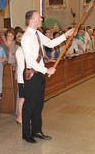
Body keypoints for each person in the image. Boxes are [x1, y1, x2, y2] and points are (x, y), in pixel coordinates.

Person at [21, 10, 74, 143]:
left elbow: (50, 43)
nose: (41, 19)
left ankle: (37, 130)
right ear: (32, 20)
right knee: (29, 105)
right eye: (39, 17)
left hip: (39, 74)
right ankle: (26, 133)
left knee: (38, 104)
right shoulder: (26, 37)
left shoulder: (38, 33)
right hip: (31, 73)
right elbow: (31, 60)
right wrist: (46, 70)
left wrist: (65, 35)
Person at [15, 30, 25, 125]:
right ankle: (19, 117)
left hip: (25, 77)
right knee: (22, 98)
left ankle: (22, 116)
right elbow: (23, 67)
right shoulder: (20, 50)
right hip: (23, 78)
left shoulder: (24, 49)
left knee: (25, 98)